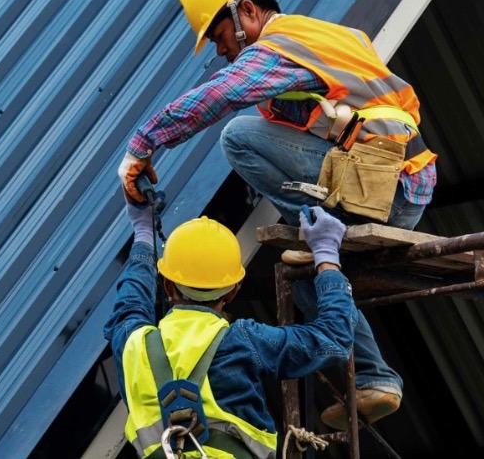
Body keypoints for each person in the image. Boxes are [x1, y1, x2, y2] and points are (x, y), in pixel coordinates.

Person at [117, 0, 438, 429]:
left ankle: (313, 227)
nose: (223, 52)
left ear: (247, 12)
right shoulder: (332, 39)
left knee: (239, 136)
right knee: (307, 270)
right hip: (403, 188)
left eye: (222, 38)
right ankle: (374, 377)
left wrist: (141, 146)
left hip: (383, 182)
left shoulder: (280, 47)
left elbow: (219, 95)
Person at [104, 195, 356, 459]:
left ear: (167, 286)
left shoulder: (133, 344)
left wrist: (143, 232)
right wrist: (326, 255)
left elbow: (131, 301)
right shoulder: (243, 341)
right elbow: (335, 338)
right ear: (234, 291)